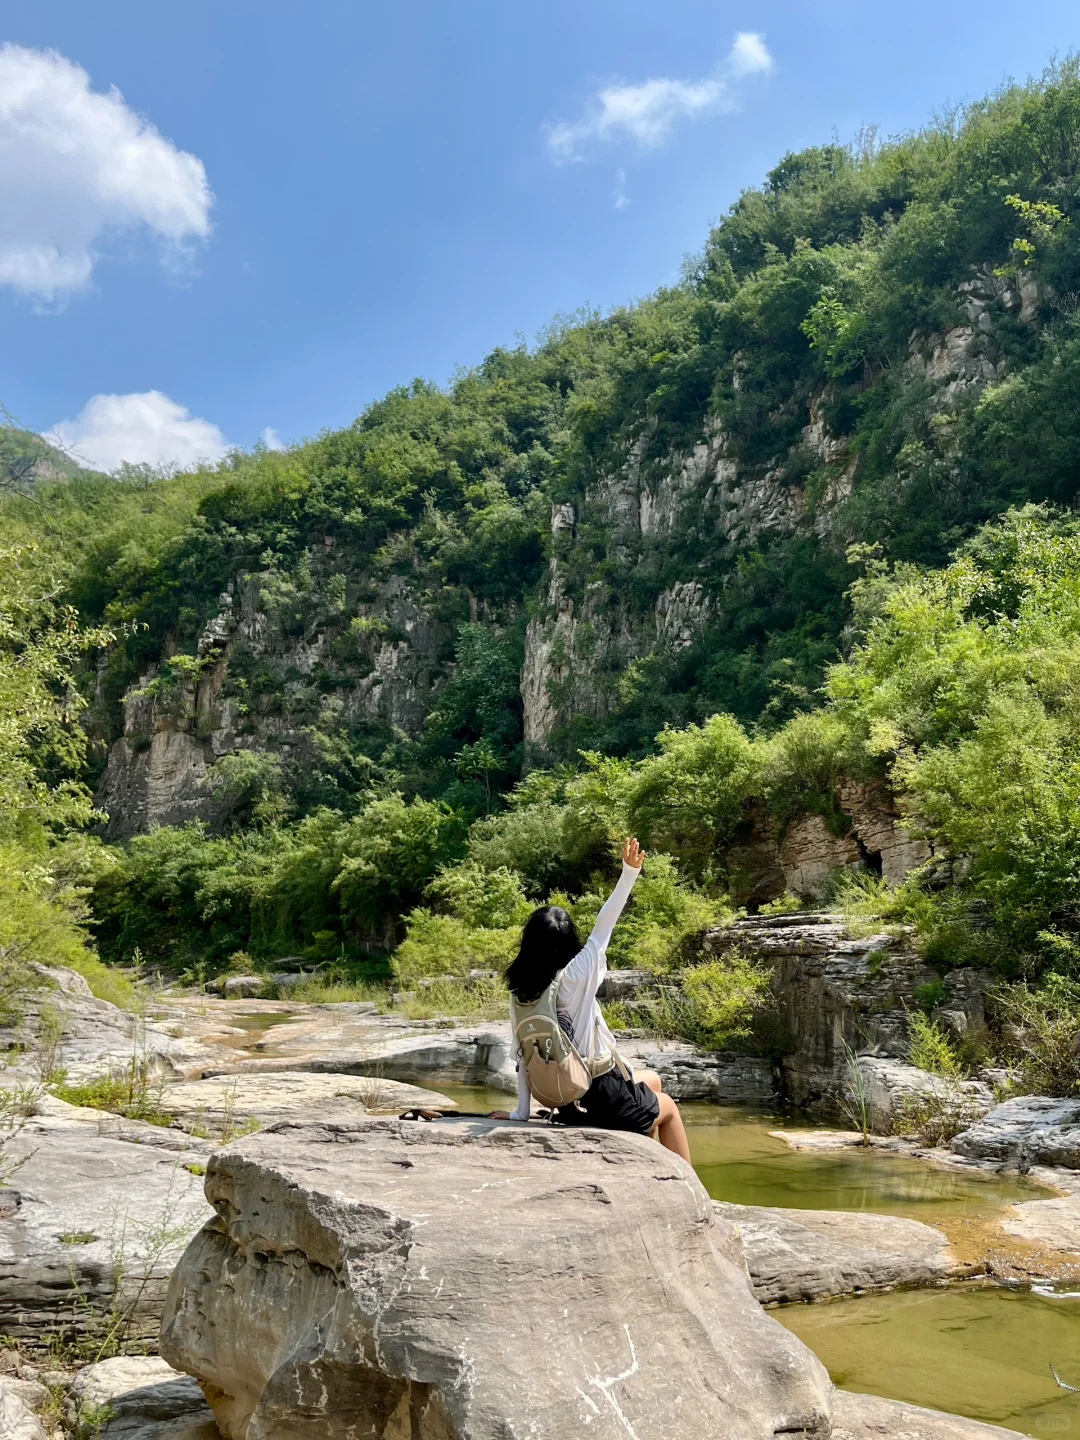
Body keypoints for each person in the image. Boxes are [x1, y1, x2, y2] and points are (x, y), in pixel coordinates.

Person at [490, 837, 691, 1163]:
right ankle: (689, 1188)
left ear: (528, 945)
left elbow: (523, 1056)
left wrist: (521, 1113)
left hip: (565, 1101)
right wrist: (629, 872)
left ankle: (646, 1157)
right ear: (569, 941)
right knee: (666, 1106)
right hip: (600, 1094)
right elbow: (605, 923)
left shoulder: (521, 993)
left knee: (651, 1079)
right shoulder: (575, 973)